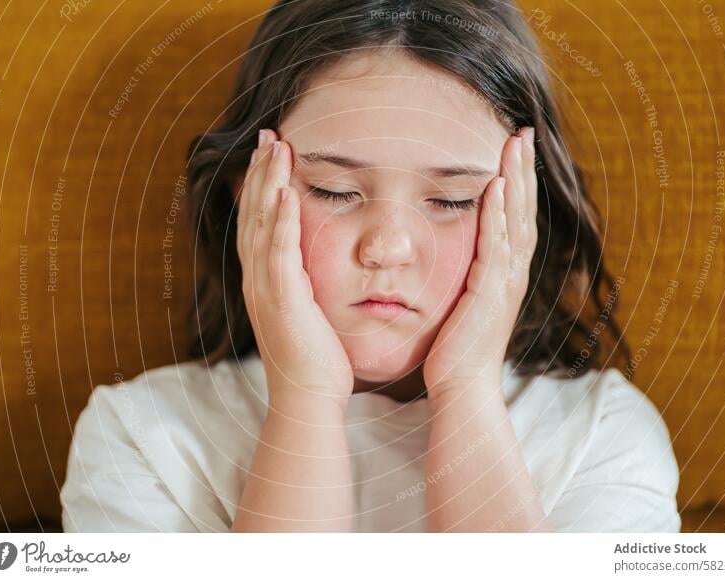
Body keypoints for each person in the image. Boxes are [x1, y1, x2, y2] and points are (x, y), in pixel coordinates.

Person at [60, 0, 681, 533]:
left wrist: (467, 393)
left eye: (452, 200)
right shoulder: (142, 437)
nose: (387, 248)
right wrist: (303, 401)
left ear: (523, 214)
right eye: (334, 190)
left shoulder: (602, 436)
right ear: (246, 197)